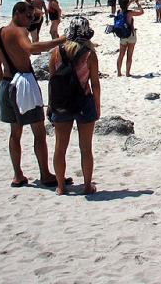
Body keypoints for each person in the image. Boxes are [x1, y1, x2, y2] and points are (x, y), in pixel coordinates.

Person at [0, 1, 68, 188]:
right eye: (28, 16)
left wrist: (4, 86)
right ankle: (45, 174)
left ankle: (18, 175)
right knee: (39, 132)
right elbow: (32, 49)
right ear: (17, 13)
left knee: (15, 133)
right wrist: (61, 40)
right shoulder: (19, 31)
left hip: (6, 84)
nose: (31, 20)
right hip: (23, 84)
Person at [48, 15, 100, 195]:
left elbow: (52, 80)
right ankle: (87, 185)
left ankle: (61, 187)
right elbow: (95, 83)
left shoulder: (56, 52)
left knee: (60, 147)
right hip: (84, 101)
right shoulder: (89, 54)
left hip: (61, 102)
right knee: (86, 148)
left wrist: (50, 104)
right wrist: (97, 105)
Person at [116, 0, 143, 77]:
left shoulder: (118, 12)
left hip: (122, 35)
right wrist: (137, 2)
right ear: (127, 4)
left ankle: (119, 73)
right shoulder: (130, 13)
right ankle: (127, 73)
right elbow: (141, 12)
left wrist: (129, 2)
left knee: (121, 55)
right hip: (131, 35)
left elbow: (124, 7)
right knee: (129, 55)